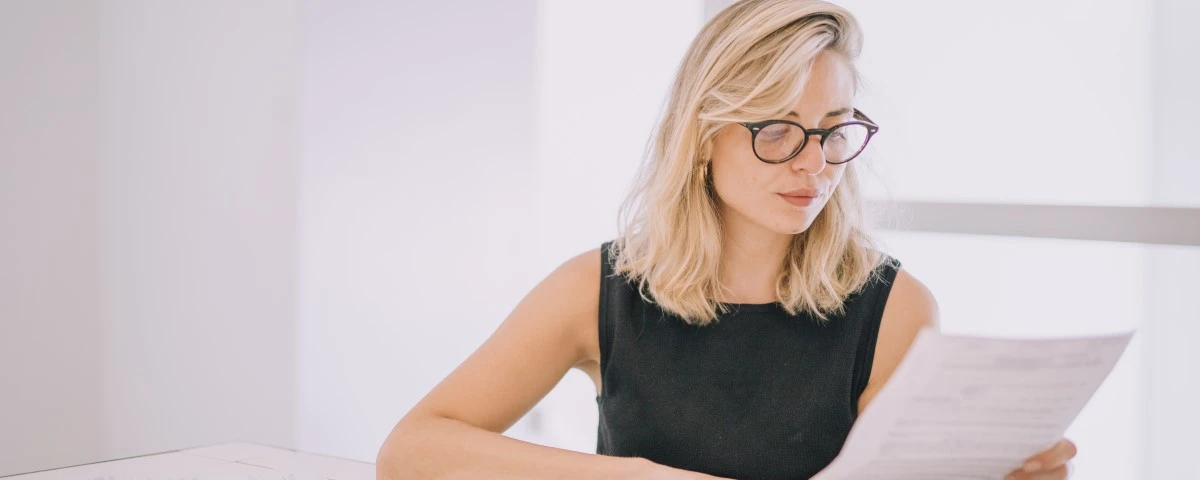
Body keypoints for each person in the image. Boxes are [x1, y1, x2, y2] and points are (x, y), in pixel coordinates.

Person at [377, 0, 1077, 478]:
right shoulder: (597, 291)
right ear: (703, 135)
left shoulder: (895, 308)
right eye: (777, 130)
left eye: (834, 129)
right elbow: (411, 450)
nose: (815, 163)